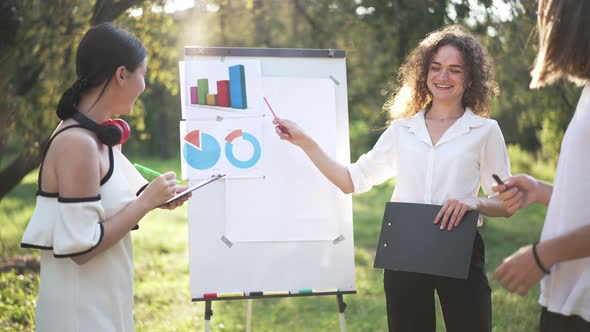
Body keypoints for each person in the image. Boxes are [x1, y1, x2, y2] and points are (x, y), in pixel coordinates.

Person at [274, 25, 512, 332]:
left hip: (459, 247)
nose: (443, 77)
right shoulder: (403, 130)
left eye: (455, 70)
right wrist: (306, 142)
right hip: (404, 250)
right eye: (436, 68)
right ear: (424, 72)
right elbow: (350, 180)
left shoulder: (485, 131)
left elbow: (506, 204)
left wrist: (474, 201)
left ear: (469, 79)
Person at [20, 23, 189, 331]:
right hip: (79, 319)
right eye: (144, 74)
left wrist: (155, 198)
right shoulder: (77, 144)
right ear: (122, 75)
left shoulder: (99, 134)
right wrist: (147, 202)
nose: (145, 84)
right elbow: (82, 249)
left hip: (104, 310)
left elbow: (113, 197)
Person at [493, 1, 590, 330]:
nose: (540, 16)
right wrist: (540, 190)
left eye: (546, 8)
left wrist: (541, 255)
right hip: (570, 300)